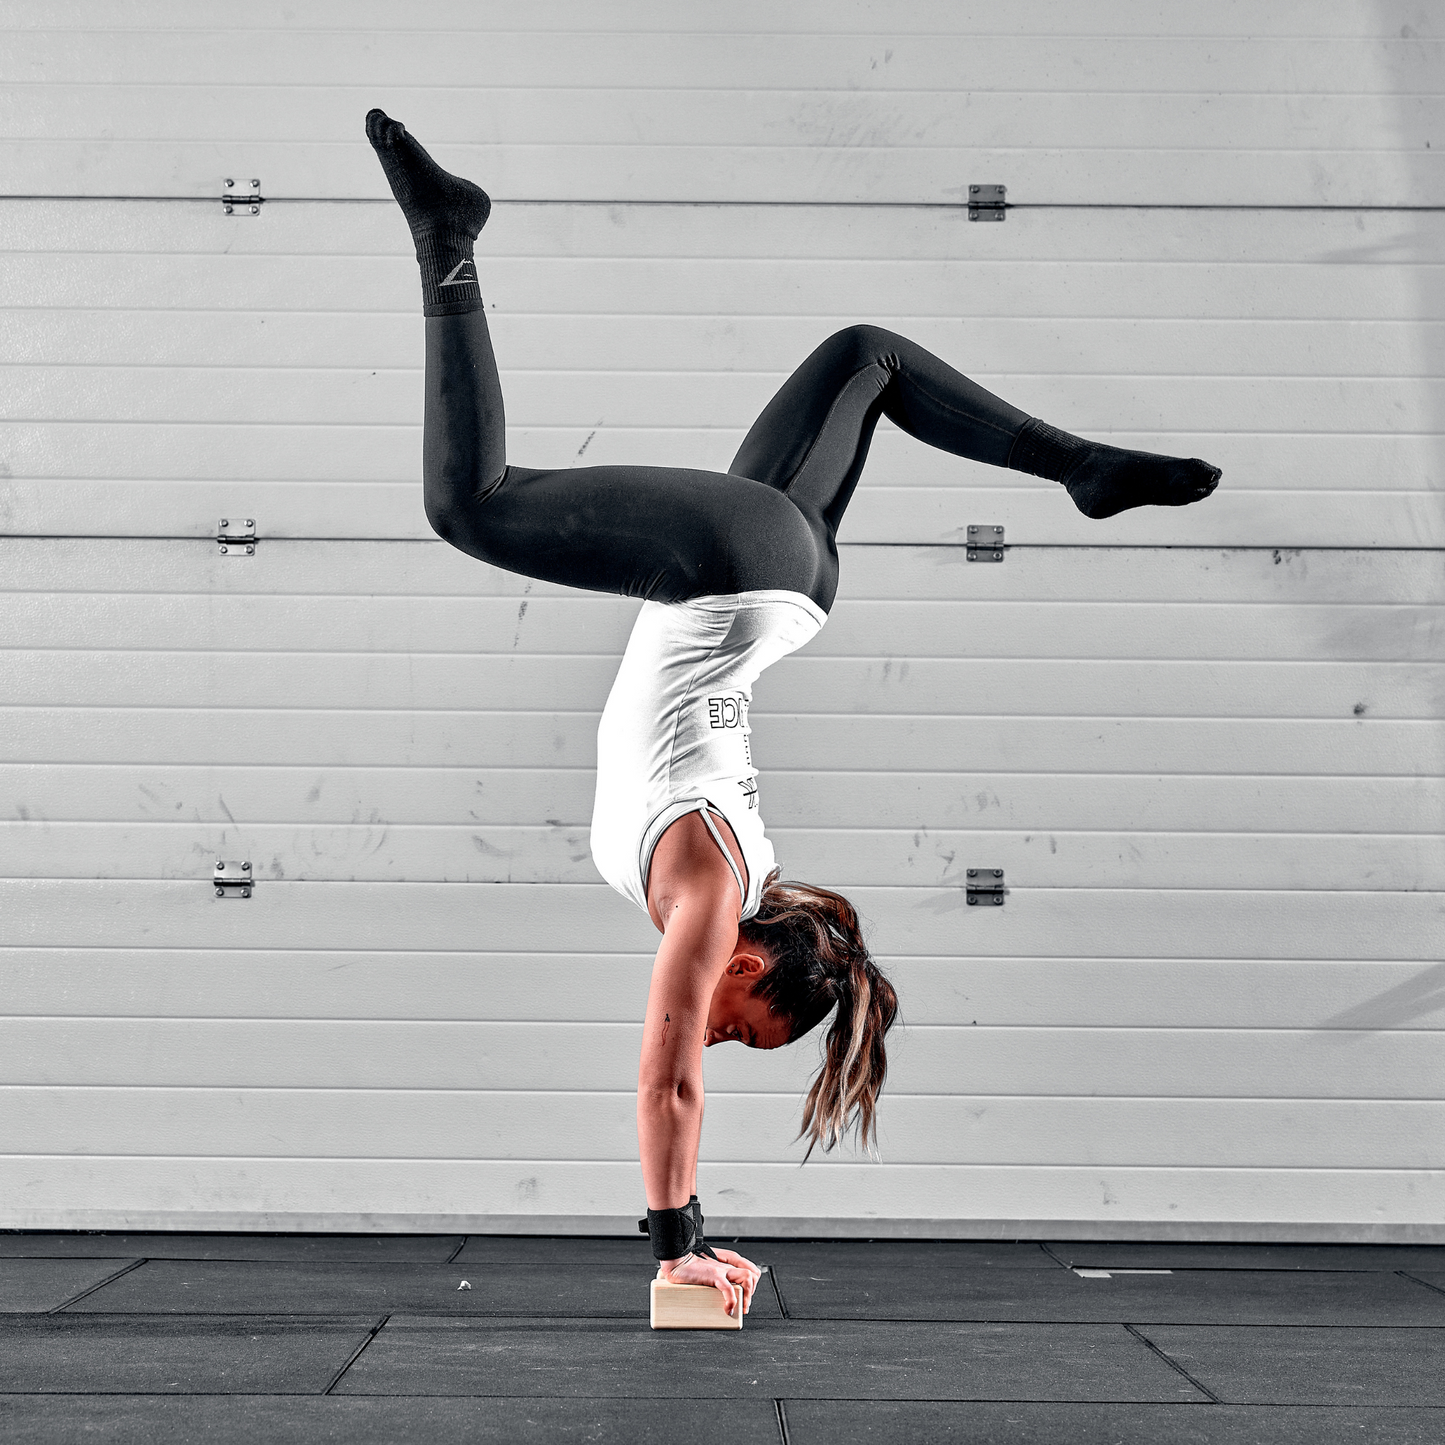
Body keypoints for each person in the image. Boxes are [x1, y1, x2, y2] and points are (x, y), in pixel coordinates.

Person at [366, 109, 1221, 1319]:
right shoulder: (712, 892)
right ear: (753, 962)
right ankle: (447, 237)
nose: (719, 1034)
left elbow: (700, 1039)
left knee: (863, 354)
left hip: (793, 576)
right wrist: (678, 1238)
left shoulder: (743, 868)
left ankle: (1076, 464)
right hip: (726, 567)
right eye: (751, 1030)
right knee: (472, 504)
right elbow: (665, 1082)